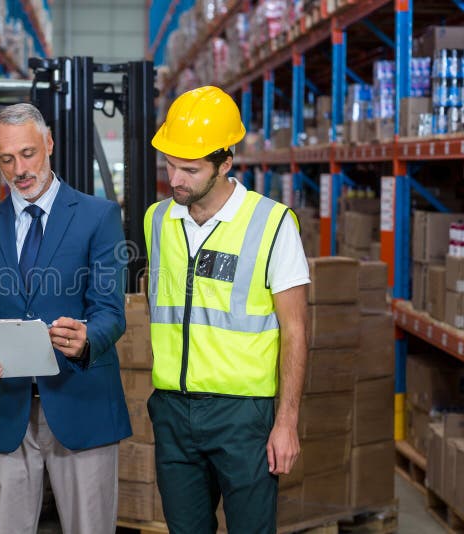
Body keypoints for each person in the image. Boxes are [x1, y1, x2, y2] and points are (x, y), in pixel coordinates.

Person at [0, 103, 131, 534]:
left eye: (28, 153)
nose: (20, 169)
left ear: (49, 143)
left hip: (80, 401)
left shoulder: (98, 216)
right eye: (6, 160)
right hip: (8, 407)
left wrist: (88, 338)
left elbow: (111, 311)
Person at [144, 86, 310, 534]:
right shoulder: (157, 220)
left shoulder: (273, 225)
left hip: (243, 418)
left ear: (225, 163)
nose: (175, 179)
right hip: (174, 412)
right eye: (170, 165)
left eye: (190, 169)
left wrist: (286, 423)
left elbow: (295, 329)